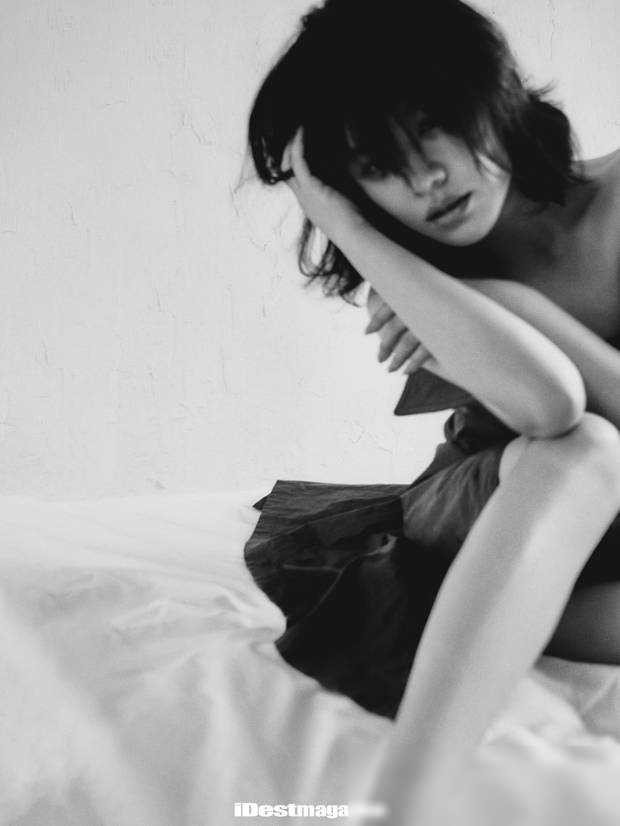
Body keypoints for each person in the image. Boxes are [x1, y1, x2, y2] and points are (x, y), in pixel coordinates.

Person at [242, 0, 620, 822]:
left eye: (430, 129)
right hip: (497, 509)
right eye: (375, 166)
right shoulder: (416, 276)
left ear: (492, 91)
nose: (422, 181)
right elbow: (552, 409)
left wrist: (510, 303)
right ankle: (403, 806)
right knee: (589, 452)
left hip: (592, 551)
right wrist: (345, 227)